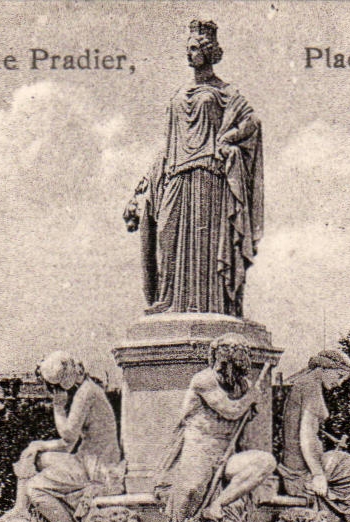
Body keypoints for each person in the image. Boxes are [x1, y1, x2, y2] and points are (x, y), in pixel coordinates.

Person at [124, 21, 262, 317]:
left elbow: (251, 123)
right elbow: (167, 145)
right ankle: (168, 299)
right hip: (175, 175)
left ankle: (210, 305)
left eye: (196, 48)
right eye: (188, 48)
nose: (190, 54)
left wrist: (228, 138)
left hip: (207, 176)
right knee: (167, 236)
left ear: (210, 52)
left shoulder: (225, 92)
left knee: (204, 247)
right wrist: (141, 187)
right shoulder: (179, 93)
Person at [0, 352, 124, 522]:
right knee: (35, 456)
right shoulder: (89, 389)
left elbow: (67, 439)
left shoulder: (86, 394)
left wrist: (58, 408)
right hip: (91, 459)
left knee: (35, 488)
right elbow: (69, 443)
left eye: (53, 386)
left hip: (96, 467)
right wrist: (37, 445)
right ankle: (20, 510)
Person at [157, 333, 276, 522]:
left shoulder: (242, 385)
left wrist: (253, 403)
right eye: (224, 363)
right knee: (192, 490)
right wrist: (251, 398)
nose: (228, 370)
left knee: (265, 462)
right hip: (199, 448)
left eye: (235, 364)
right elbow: (231, 410)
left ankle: (217, 505)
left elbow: (246, 423)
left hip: (225, 453)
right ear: (216, 359)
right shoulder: (203, 380)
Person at [278, 349, 350, 522]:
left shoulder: (305, 383)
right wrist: (318, 475)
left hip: (300, 467)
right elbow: (306, 435)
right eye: (339, 376)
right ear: (326, 367)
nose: (339, 383)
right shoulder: (310, 385)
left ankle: (344, 520)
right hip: (302, 472)